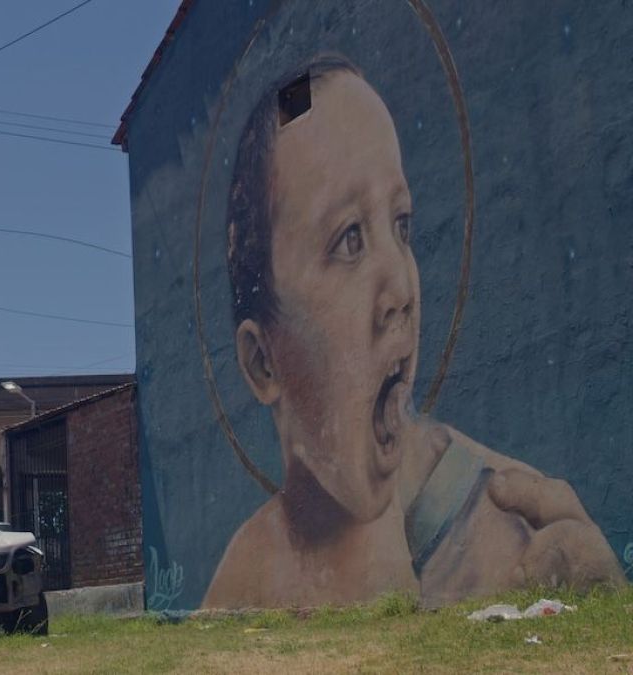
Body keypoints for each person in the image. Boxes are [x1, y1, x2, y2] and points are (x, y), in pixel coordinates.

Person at [202, 54, 624, 608]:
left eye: (402, 225)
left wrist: (603, 609)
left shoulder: (511, 523)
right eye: (349, 238)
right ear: (263, 363)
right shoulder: (245, 574)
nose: (402, 289)